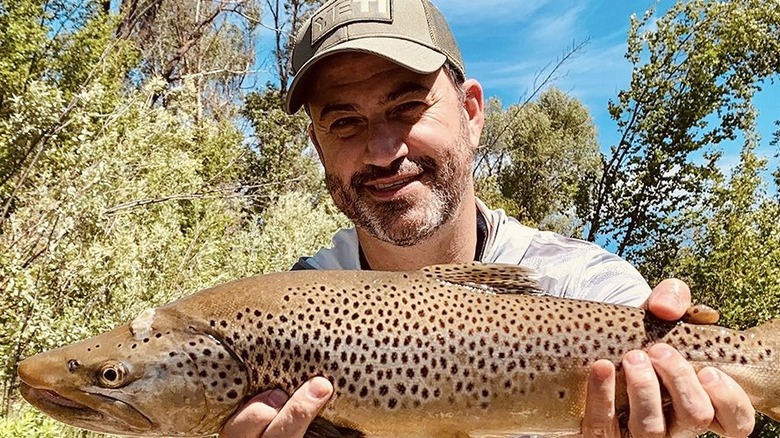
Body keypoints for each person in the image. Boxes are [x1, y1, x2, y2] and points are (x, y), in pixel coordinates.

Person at [220, 0, 756, 436]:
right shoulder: (282, 312)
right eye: (344, 122)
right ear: (317, 146)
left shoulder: (593, 289)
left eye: (407, 107)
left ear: (472, 114)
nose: (383, 150)